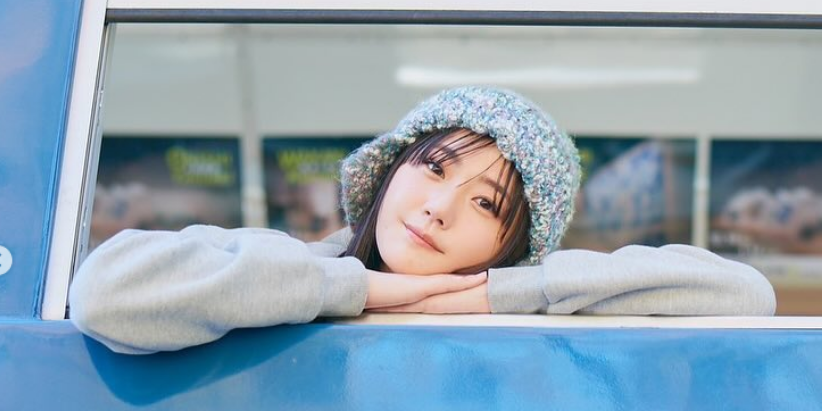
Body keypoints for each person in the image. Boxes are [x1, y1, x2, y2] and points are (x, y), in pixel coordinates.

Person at [70, 87, 776, 354]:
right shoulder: (286, 265)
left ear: (515, 243)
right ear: (388, 172)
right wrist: (354, 290)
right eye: (434, 168)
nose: (440, 206)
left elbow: (744, 293)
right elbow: (105, 295)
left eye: (486, 203)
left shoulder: (527, 326)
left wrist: (497, 295)